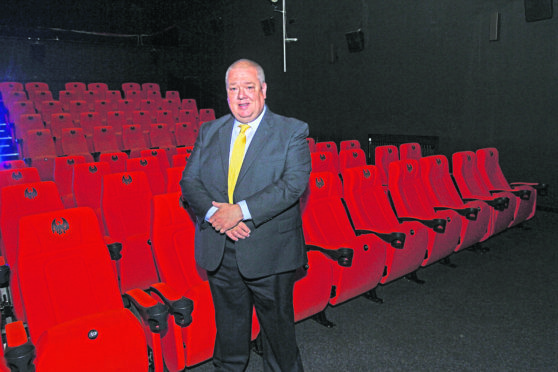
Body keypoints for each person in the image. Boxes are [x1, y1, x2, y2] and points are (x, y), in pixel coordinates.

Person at [180, 59, 311, 371]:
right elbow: (188, 182)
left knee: (278, 333)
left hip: (270, 251)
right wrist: (216, 215)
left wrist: (240, 212)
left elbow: (293, 185)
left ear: (263, 90)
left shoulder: (291, 131)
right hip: (221, 249)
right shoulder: (209, 131)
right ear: (226, 94)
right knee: (229, 330)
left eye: (249, 87)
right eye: (233, 88)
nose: (241, 95)